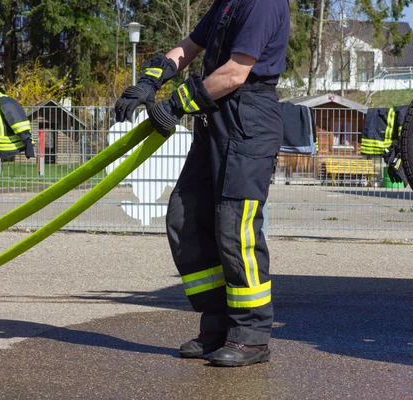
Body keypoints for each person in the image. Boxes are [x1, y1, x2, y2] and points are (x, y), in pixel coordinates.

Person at [115, 0, 290, 367]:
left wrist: (176, 104)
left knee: (235, 229)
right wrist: (149, 81)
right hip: (215, 118)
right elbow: (187, 48)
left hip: (248, 122)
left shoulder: (263, 3)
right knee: (185, 217)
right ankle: (217, 324)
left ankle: (252, 336)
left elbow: (235, 73)